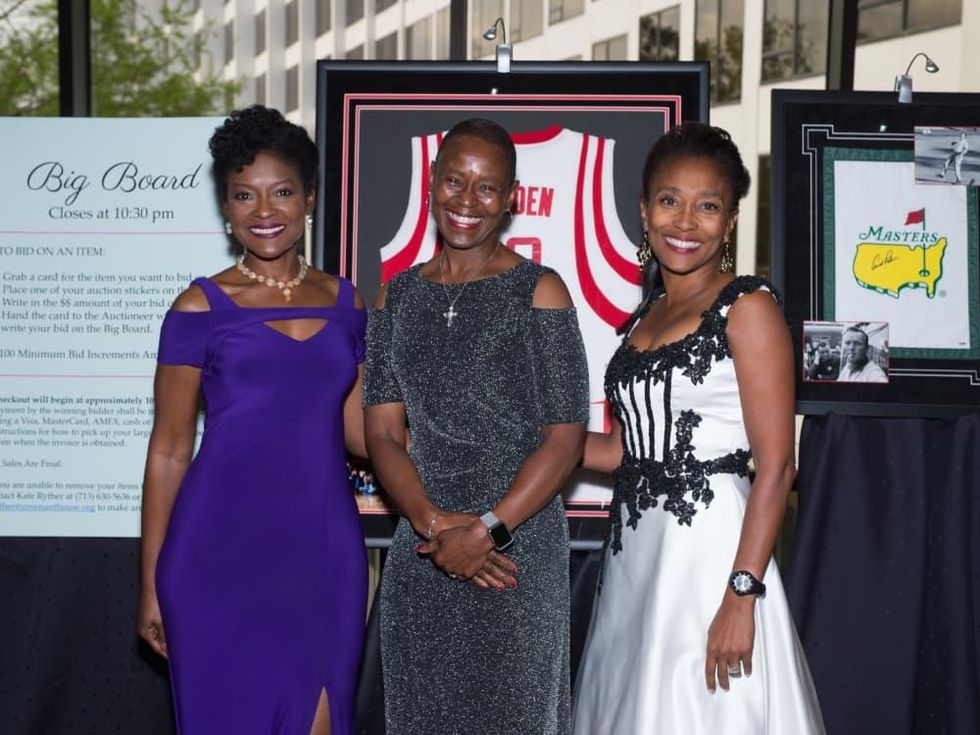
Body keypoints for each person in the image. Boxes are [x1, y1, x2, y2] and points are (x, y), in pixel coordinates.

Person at [572, 122, 824, 734]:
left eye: (707, 206)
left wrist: (741, 595)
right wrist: (532, 433)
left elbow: (777, 466)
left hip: (713, 557)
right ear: (644, 210)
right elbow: (623, 452)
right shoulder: (646, 315)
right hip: (638, 563)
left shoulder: (749, 308)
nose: (685, 222)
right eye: (670, 201)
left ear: (731, 220)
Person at [137, 105, 368, 735]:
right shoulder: (198, 307)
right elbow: (169, 450)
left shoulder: (348, 304)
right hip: (217, 555)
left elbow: (363, 432)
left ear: (310, 197)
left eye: (282, 192)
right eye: (244, 195)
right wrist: (153, 581)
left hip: (323, 553)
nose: (264, 211)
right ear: (226, 207)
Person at [363, 118, 589, 734]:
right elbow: (382, 433)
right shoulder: (395, 298)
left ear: (512, 198)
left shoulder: (541, 291)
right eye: (455, 181)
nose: (468, 200)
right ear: (432, 183)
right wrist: (436, 525)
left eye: (487, 188)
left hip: (516, 554)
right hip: (423, 547)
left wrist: (488, 530)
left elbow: (564, 439)